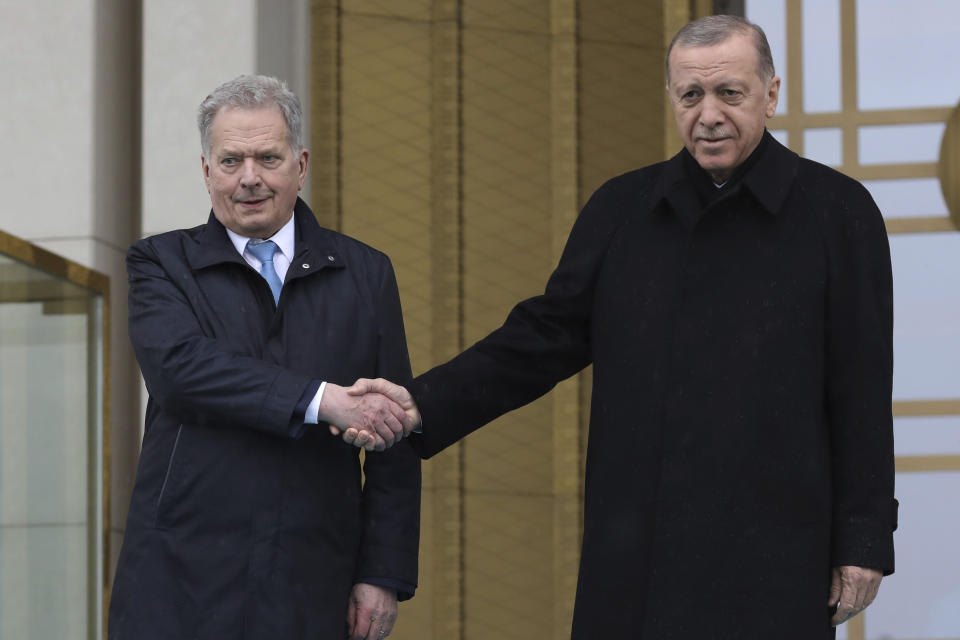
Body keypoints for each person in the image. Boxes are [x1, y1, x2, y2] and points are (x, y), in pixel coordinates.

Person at [340, 15, 897, 639]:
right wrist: (421, 403)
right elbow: (539, 339)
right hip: (640, 550)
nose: (708, 114)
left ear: (771, 94)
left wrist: (864, 537)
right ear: (672, 99)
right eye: (691, 96)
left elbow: (863, 389)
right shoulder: (623, 208)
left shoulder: (839, 212)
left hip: (776, 548)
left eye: (729, 94)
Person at [108, 75, 420, 640]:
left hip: (313, 575)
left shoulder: (366, 273)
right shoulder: (160, 262)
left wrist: (383, 572)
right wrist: (323, 401)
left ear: (300, 165)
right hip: (181, 577)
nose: (248, 178)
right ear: (207, 172)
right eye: (230, 161)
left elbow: (393, 433)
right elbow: (180, 370)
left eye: (267, 158)